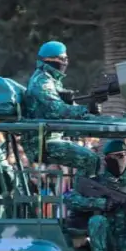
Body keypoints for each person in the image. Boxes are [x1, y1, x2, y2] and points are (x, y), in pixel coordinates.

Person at [20, 41, 102, 171]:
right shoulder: (42, 82)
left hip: (50, 137)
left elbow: (65, 107)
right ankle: (82, 191)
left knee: (93, 159)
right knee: (90, 159)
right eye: (63, 58)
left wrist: (88, 110)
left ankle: (84, 190)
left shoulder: (52, 80)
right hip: (41, 143)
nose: (66, 62)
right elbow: (58, 110)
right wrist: (86, 109)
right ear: (48, 59)